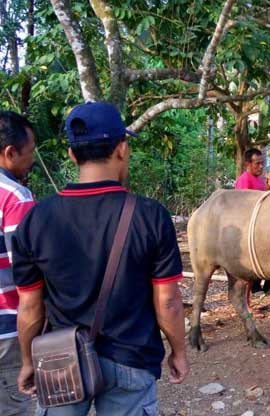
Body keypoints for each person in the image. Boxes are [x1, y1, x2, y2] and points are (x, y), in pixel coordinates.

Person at [13, 102, 188, 415]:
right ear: (121, 149)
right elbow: (168, 302)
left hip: (59, 360)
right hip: (131, 360)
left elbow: (29, 307)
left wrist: (28, 361)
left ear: (71, 155)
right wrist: (179, 351)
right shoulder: (151, 216)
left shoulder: (37, 218)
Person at [0, 111, 36, 416]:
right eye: (30, 152)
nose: (31, 160)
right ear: (10, 153)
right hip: (7, 330)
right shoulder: (15, 197)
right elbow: (28, 273)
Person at [235, 148, 269, 317]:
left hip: (258, 230)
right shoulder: (244, 180)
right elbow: (243, 208)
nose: (261, 166)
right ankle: (245, 307)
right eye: (257, 163)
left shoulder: (260, 181)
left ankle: (248, 304)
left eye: (262, 163)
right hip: (247, 232)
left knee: (252, 273)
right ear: (248, 164)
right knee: (246, 272)